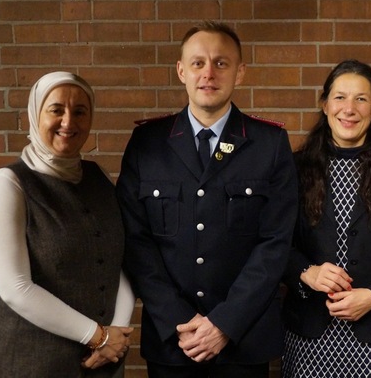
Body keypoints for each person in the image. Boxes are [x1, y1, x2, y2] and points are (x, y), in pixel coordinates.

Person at [116, 21, 297, 377]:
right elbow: (136, 241)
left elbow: (275, 243)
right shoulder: (147, 144)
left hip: (243, 341)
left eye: (221, 63)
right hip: (174, 342)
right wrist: (179, 319)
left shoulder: (269, 144)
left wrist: (225, 323)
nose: (208, 73)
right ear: (181, 71)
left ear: (240, 72)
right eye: (198, 63)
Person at [0, 71, 134, 377]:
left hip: (102, 360)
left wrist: (117, 333)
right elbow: (15, 288)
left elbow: (118, 260)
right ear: (35, 114)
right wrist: (99, 337)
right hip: (31, 362)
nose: (68, 121)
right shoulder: (8, 184)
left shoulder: (99, 177)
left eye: (80, 111)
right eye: (56, 110)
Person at [281, 59, 371, 378]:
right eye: (340, 97)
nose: (349, 109)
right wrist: (307, 272)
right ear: (325, 105)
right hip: (309, 336)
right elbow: (275, 244)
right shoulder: (294, 169)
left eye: (361, 99)